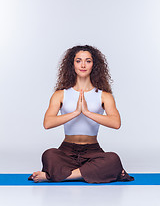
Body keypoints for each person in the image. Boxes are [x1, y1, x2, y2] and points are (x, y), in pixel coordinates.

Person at [28, 45, 134, 183]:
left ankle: (56, 176)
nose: (83, 65)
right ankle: (86, 173)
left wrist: (87, 112)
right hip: (66, 150)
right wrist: (76, 112)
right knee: (49, 154)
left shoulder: (104, 95)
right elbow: (47, 123)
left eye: (88, 61)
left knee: (112, 159)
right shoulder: (60, 94)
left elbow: (116, 123)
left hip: (93, 151)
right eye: (78, 61)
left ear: (94, 65)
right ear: (72, 64)